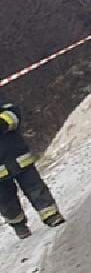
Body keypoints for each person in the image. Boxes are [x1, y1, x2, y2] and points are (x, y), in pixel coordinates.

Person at [0, 102, 62, 238]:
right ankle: (19, 226)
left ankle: (51, 215)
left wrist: (3, 122)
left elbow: (13, 113)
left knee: (35, 187)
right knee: (5, 200)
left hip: (17, 155)